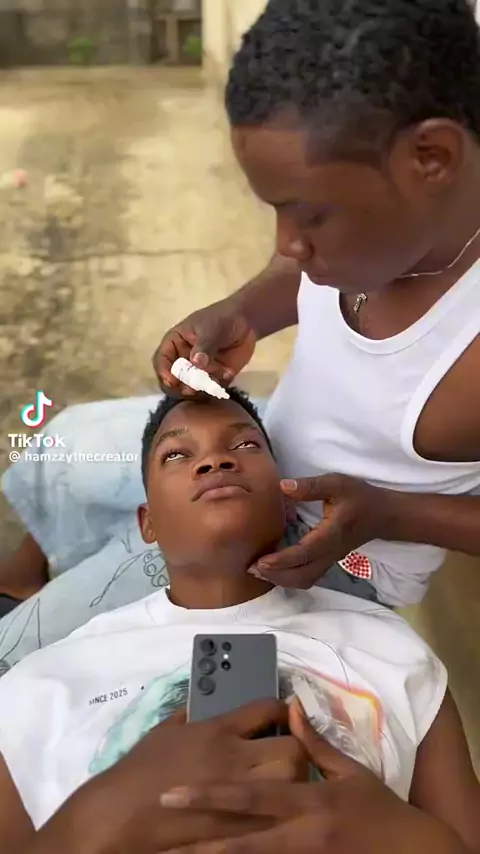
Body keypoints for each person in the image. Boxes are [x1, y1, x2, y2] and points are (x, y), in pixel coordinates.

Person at [0, 391, 478, 853]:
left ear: (288, 504)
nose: (214, 461)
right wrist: (90, 824)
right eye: (176, 455)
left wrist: (399, 838)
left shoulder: (390, 649)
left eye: (245, 444)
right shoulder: (41, 683)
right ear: (148, 523)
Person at [152, 0, 480, 607]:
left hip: (341, 562)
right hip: (263, 466)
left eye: (310, 216)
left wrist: (390, 515)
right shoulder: (374, 233)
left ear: (432, 157)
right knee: (67, 451)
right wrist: (244, 311)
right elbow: (297, 269)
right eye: (277, 211)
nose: (287, 245)